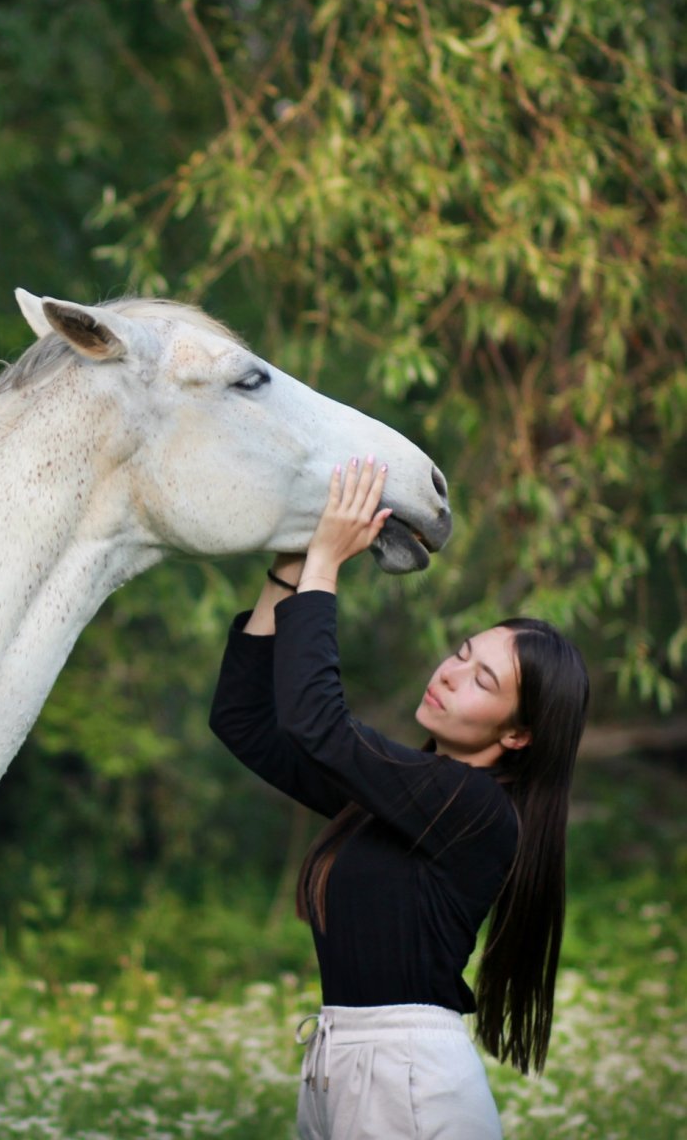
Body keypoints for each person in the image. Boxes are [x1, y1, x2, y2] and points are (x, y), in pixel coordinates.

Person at [209, 455, 590, 1140]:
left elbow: (316, 723)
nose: (450, 673)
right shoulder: (403, 798)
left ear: (518, 735)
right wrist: (291, 568)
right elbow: (245, 722)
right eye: (463, 652)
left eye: (482, 681)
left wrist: (326, 567)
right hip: (344, 1069)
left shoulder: (474, 812)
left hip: (405, 1083)